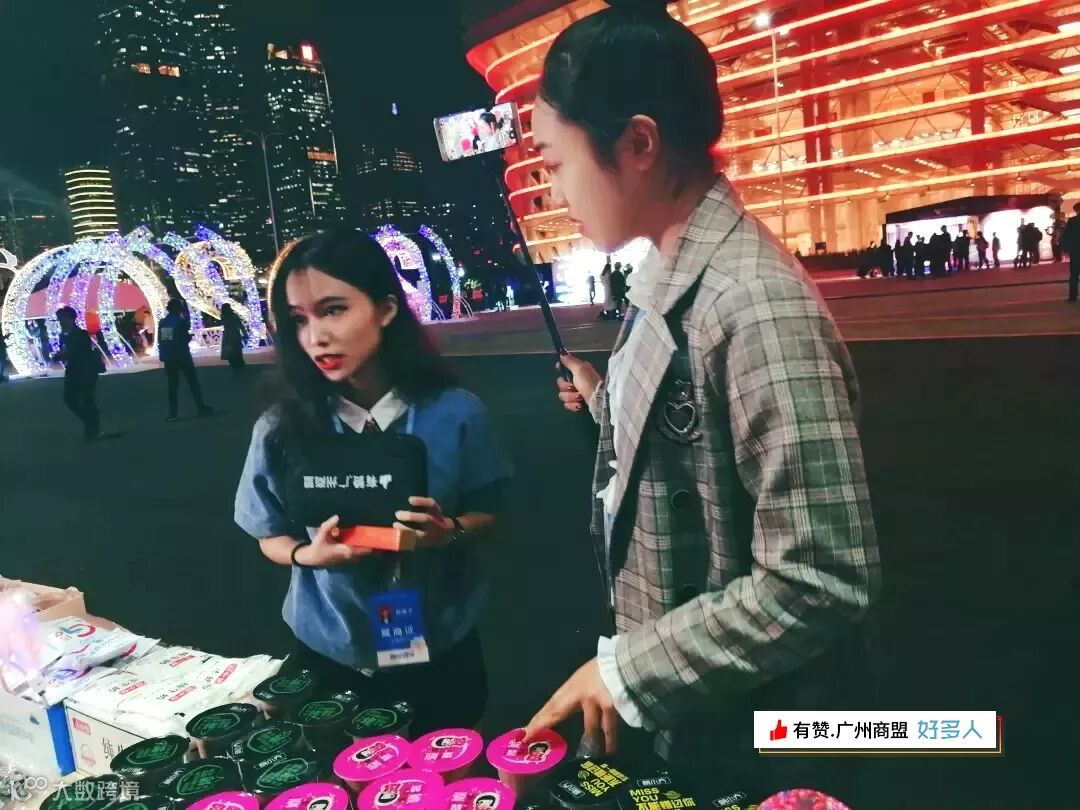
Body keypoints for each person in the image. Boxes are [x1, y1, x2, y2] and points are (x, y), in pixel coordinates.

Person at [524, 5, 880, 801]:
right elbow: (691, 433)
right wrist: (608, 401)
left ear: (638, 144)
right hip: (707, 710)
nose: (552, 190)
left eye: (555, 162)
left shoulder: (753, 304)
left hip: (763, 734)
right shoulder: (669, 270)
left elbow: (820, 577)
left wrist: (628, 669)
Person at [234, 229, 512, 734]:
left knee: (445, 762)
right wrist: (309, 555)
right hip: (330, 649)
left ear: (385, 309)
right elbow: (267, 533)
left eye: (333, 310)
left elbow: (488, 509)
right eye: (298, 319)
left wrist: (448, 532)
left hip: (440, 644)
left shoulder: (455, 414)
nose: (315, 337)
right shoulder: (280, 428)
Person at [53, 307, 105, 441]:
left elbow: (77, 352)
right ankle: (92, 425)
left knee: (87, 400)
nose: (60, 322)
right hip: (73, 371)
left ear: (71, 319)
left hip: (85, 372)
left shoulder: (80, 334)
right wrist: (60, 355)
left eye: (62, 318)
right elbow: (67, 352)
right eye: (59, 319)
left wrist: (61, 355)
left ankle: (93, 430)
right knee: (70, 399)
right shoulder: (63, 335)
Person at [158, 298, 213, 421]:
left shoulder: (165, 322)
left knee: (172, 385)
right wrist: (188, 337)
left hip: (170, 357)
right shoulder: (180, 322)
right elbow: (184, 339)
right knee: (192, 382)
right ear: (178, 309)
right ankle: (200, 406)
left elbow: (165, 339)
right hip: (182, 355)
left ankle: (173, 413)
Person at [219, 303, 248, 372]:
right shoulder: (234, 316)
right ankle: (240, 364)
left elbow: (223, 324)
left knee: (230, 350)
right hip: (235, 333)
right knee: (237, 349)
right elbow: (240, 325)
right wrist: (245, 333)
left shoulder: (223, 316)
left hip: (227, 334)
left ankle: (234, 365)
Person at [1060, 202, 1080, 302]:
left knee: (1074, 275)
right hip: (1075, 251)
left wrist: (1065, 249)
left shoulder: (1073, 221)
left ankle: (1073, 297)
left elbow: (1067, 235)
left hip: (1076, 251)